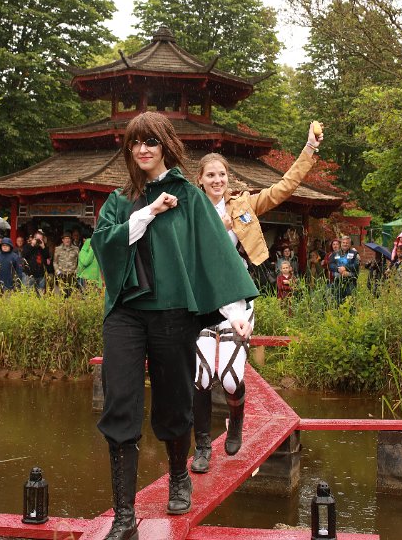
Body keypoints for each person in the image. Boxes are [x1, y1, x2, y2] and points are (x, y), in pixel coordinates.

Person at [90, 112, 258, 539]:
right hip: (126, 313)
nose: (142, 149)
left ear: (166, 145)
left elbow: (213, 253)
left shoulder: (189, 196)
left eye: (151, 141)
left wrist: (235, 311)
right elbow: (104, 245)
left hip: (172, 314)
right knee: (120, 404)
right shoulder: (120, 199)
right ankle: (124, 516)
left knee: (174, 401)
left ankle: (179, 475)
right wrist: (148, 211)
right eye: (135, 142)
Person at [191, 121, 323, 475]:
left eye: (222, 174)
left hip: (236, 297)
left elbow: (283, 188)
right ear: (200, 179)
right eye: (210, 175)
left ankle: (236, 418)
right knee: (201, 377)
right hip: (201, 299)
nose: (217, 180)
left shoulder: (244, 205)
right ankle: (202, 446)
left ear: (228, 178)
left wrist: (309, 149)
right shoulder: (190, 210)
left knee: (230, 379)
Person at [328, 235, 360, 303]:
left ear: (350, 244)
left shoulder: (354, 253)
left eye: (347, 243)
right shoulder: (335, 253)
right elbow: (330, 265)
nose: (345, 244)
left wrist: (345, 267)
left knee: (350, 302)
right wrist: (338, 269)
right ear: (341, 243)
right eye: (343, 242)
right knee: (337, 301)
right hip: (337, 281)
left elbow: (356, 265)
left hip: (350, 282)